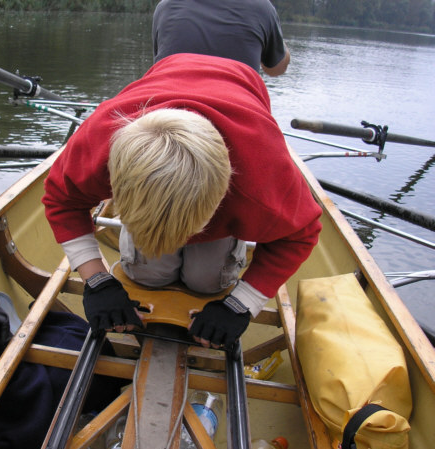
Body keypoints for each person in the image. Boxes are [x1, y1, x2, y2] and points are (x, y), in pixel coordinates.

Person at [42, 53, 321, 350]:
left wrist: (241, 304)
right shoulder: (98, 143)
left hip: (242, 91)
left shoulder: (262, 177)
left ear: (222, 200)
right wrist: (96, 280)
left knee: (206, 282)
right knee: (148, 274)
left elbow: (300, 234)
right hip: (169, 72)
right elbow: (62, 200)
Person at [152, 0, 290, 76]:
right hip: (235, 105)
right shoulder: (262, 7)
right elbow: (276, 69)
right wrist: (279, 46)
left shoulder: (165, 6)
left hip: (167, 105)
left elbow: (160, 65)